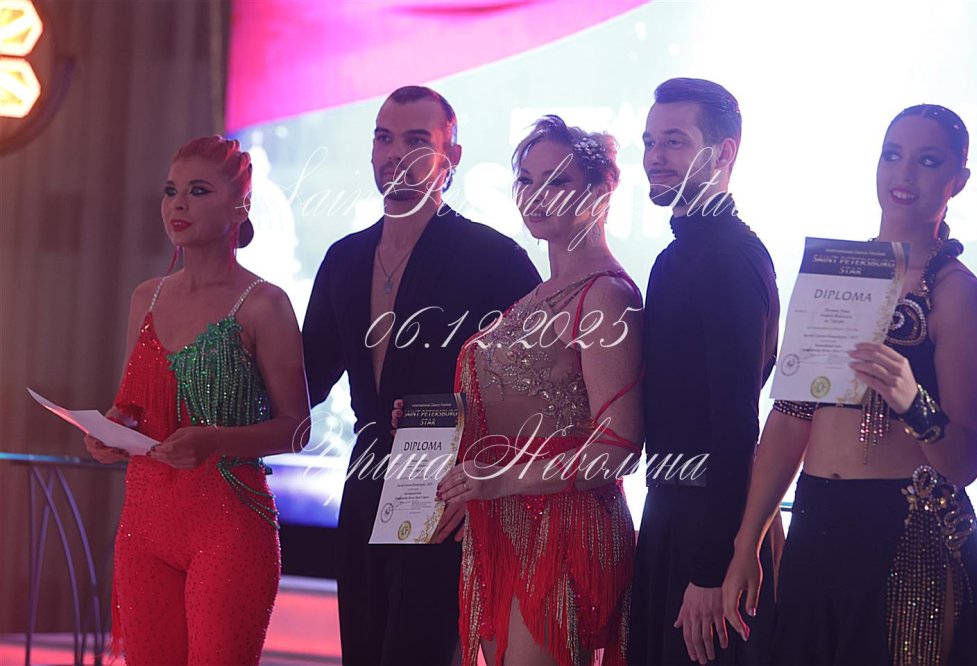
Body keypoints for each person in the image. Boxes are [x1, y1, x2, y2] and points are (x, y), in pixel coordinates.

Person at [722, 104, 977, 665]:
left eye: (927, 161)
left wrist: (912, 402)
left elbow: (965, 462)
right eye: (892, 155)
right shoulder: (835, 272)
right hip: (818, 524)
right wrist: (747, 539)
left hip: (907, 539)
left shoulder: (956, 294)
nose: (904, 174)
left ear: (959, 180)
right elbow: (789, 420)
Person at [302, 85, 541, 666]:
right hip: (366, 477)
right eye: (384, 139)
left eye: (415, 141)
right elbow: (303, 381)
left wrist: (483, 476)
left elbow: (543, 390)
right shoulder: (345, 258)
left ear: (450, 157)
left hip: (449, 488)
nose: (395, 155)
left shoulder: (494, 258)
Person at [418, 114, 644, 666]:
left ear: (601, 189)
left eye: (557, 180)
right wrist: (434, 423)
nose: (536, 194)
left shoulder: (606, 296)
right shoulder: (541, 293)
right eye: (525, 179)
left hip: (565, 527)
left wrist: (502, 479)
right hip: (501, 519)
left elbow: (619, 446)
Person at [83, 136, 311, 664]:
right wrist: (111, 432)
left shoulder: (265, 304)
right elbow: (130, 406)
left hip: (229, 527)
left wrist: (215, 441)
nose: (178, 204)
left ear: (240, 207)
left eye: (198, 191)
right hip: (143, 526)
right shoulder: (147, 296)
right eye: (171, 191)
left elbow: (298, 429)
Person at [628, 78, 780, 666]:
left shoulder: (728, 257)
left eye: (675, 141)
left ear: (724, 153)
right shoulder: (677, 255)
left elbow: (736, 423)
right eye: (650, 141)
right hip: (672, 512)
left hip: (709, 529)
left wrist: (712, 566)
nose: (655, 157)